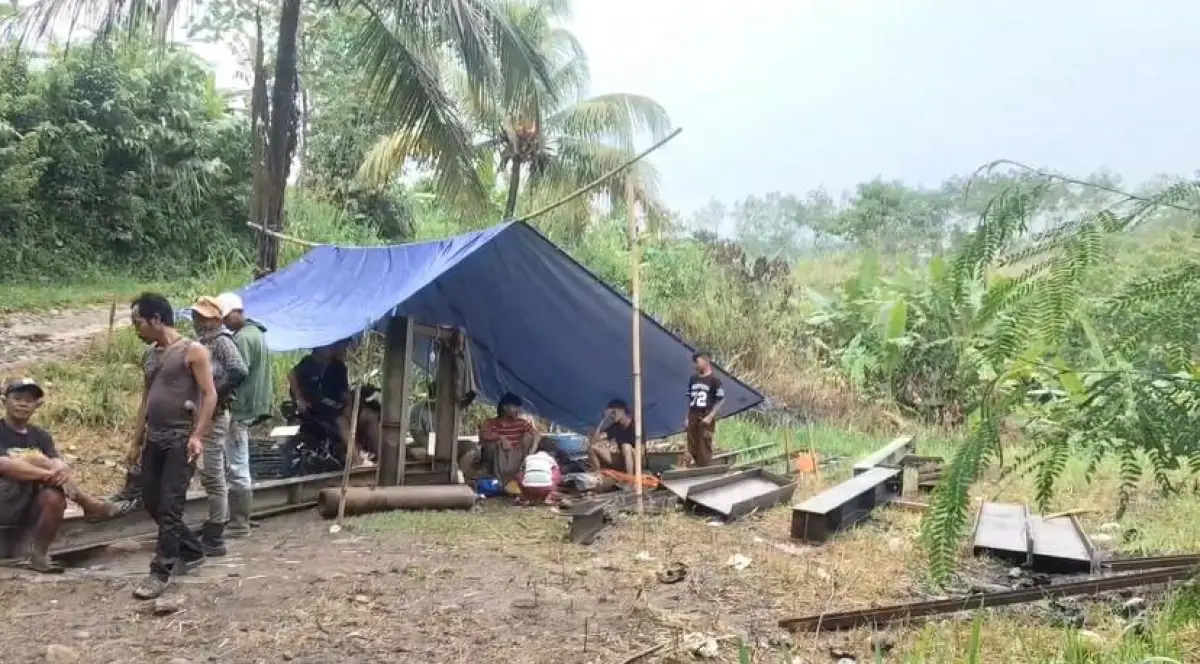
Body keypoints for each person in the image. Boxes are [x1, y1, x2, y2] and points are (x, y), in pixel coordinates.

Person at [128, 292, 217, 600]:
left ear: (156, 319)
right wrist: (136, 440)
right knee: (151, 500)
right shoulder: (150, 355)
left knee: (170, 506)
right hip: (155, 438)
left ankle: (160, 571)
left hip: (181, 438)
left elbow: (210, 395)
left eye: (138, 322)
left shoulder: (193, 351)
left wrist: (198, 435)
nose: (136, 328)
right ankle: (192, 550)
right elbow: (145, 401)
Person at [0, 379, 116, 573]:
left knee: (54, 496)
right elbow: (3, 465)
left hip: (28, 503)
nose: (23, 404)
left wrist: (60, 470)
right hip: (4, 501)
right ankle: (88, 504)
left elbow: (59, 463)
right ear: (4, 401)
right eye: (17, 398)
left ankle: (39, 555)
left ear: (37, 405)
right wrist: (46, 472)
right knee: (37, 460)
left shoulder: (41, 436)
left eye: (29, 400)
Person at [189, 296, 248, 557]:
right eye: (195, 317)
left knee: (214, 474)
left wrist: (215, 393)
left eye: (202, 317)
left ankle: (215, 532)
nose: (197, 321)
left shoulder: (222, 341)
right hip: (206, 412)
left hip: (216, 413)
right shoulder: (205, 343)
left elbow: (239, 370)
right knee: (210, 472)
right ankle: (214, 523)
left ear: (215, 319)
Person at [216, 292, 273, 538]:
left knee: (236, 464)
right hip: (254, 405)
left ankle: (239, 523)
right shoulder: (257, 334)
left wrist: (218, 394)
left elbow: (238, 371)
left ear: (239, 313)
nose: (225, 322)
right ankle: (243, 516)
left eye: (227, 317)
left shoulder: (242, 340)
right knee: (240, 461)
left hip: (240, 408)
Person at [288, 342, 379, 464]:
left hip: (338, 404)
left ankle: (382, 455)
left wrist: (349, 407)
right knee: (341, 421)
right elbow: (292, 374)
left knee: (370, 416)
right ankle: (357, 460)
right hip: (317, 407)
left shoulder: (338, 367)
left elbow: (344, 392)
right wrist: (299, 398)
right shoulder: (308, 363)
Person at [476, 392, 537, 485]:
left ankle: (519, 474)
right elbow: (484, 434)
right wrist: (501, 438)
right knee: (492, 444)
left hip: (517, 460)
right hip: (497, 461)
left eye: (518, 407)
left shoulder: (522, 423)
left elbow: (536, 435)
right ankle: (496, 478)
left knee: (528, 437)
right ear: (505, 408)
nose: (518, 410)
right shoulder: (491, 423)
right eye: (515, 407)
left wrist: (531, 454)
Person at [685, 351, 725, 467]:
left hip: (706, 414)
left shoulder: (714, 380)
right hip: (693, 414)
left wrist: (710, 416)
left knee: (704, 446)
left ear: (706, 361)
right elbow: (689, 400)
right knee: (691, 445)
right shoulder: (693, 379)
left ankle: (704, 470)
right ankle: (689, 470)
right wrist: (687, 418)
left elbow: (721, 399)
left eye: (697, 362)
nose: (695, 365)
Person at [587, 399, 638, 474]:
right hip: (622, 458)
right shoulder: (615, 427)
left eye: (614, 412)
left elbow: (641, 449)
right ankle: (597, 474)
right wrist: (603, 419)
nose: (612, 416)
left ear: (622, 411)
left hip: (636, 458)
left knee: (625, 446)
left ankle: (629, 479)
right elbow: (595, 440)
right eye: (610, 414)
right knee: (592, 448)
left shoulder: (636, 424)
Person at [517, 438, 561, 505]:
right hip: (546, 488)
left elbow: (521, 470)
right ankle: (550, 495)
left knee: (519, 474)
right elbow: (557, 472)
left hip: (528, 488)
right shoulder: (550, 459)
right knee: (556, 471)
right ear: (551, 451)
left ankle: (526, 496)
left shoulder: (529, 457)